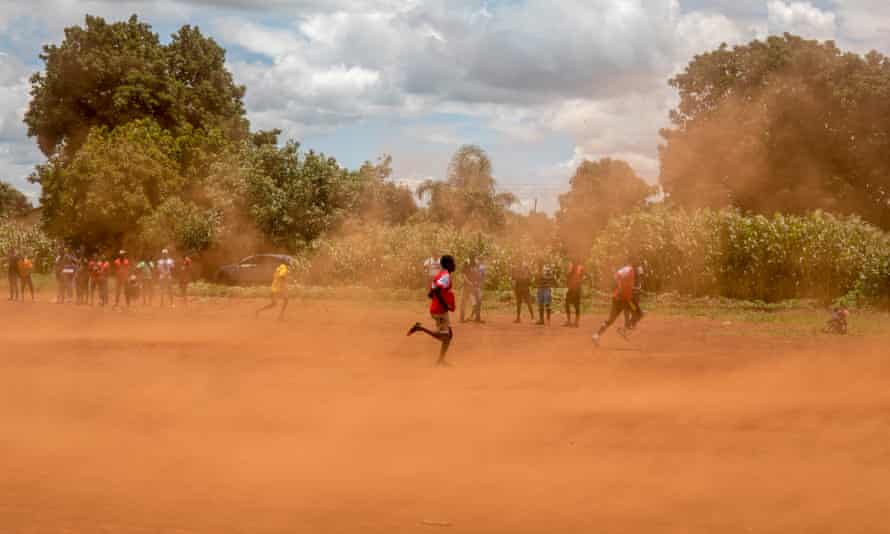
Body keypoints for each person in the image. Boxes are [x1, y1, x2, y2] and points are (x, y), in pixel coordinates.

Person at [407, 254, 457, 366]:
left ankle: (441, 360)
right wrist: (445, 304)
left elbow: (430, 293)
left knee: (449, 335)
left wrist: (441, 298)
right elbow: (437, 291)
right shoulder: (446, 276)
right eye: (453, 263)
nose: (455, 265)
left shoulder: (440, 275)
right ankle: (420, 328)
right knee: (445, 336)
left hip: (437, 308)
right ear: (448, 264)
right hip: (440, 310)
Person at [592, 259, 640, 346]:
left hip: (618, 298)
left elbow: (617, 276)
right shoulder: (630, 270)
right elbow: (620, 278)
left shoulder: (627, 269)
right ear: (635, 266)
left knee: (611, 319)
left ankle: (596, 335)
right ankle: (625, 329)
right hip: (623, 298)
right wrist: (622, 288)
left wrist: (626, 287)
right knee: (638, 313)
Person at [623, 262, 645, 331]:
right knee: (629, 308)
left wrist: (639, 287)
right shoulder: (629, 268)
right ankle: (629, 323)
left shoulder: (638, 268)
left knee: (631, 308)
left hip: (634, 292)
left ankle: (631, 323)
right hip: (630, 292)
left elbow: (641, 279)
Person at [563, 259, 585, 328]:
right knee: (567, 304)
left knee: (576, 305)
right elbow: (567, 278)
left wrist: (578, 269)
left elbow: (581, 276)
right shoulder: (570, 272)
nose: (569, 266)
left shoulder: (579, 269)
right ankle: (569, 321)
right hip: (571, 290)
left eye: (570, 265)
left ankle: (576, 322)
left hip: (576, 289)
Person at [459, 258, 481, 323]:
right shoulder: (466, 263)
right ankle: (461, 318)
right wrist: (469, 282)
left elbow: (477, 274)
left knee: (478, 301)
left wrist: (476, 282)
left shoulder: (476, 263)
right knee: (463, 302)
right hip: (466, 286)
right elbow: (463, 275)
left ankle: (477, 318)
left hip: (473, 286)